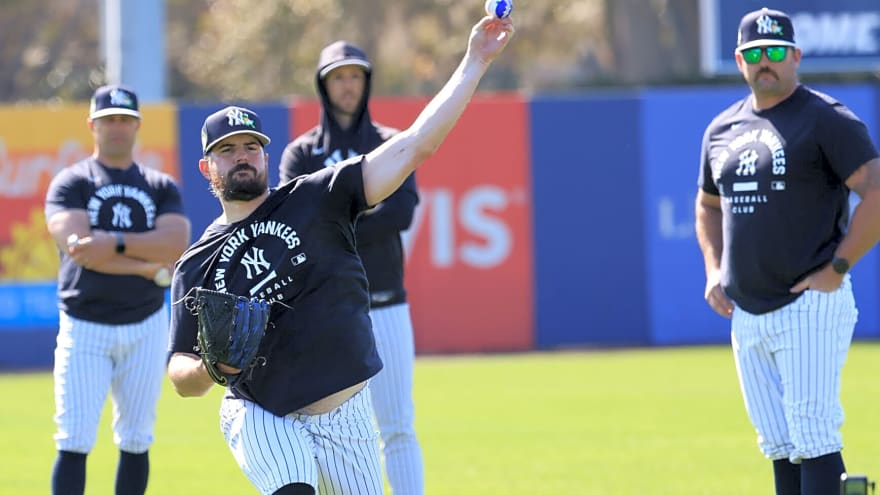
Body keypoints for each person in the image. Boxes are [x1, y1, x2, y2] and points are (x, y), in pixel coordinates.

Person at [166, 15, 514, 495]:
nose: (242, 156)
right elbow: (179, 373)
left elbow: (415, 146)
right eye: (227, 151)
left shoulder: (316, 196)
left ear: (267, 156)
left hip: (346, 415)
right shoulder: (197, 263)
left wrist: (475, 61)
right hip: (262, 412)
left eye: (251, 146)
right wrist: (209, 368)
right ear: (207, 166)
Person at [695, 7, 880, 495]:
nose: (766, 63)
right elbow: (707, 205)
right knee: (778, 443)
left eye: (776, 52)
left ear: (796, 56)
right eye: (754, 54)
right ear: (739, 61)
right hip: (748, 310)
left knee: (813, 436)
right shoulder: (721, 129)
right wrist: (714, 269)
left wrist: (838, 268)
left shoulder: (826, 119)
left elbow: (876, 190)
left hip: (809, 301)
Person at [278, 40, 424, 494]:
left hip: (384, 304)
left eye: (356, 75)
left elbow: (401, 214)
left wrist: (333, 224)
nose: (348, 85)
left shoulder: (390, 144)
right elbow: (293, 229)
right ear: (323, 85)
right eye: (338, 76)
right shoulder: (301, 156)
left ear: (367, 82)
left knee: (397, 426)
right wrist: (359, 219)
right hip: (326, 316)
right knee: (327, 434)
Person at [44, 84, 191, 495]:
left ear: (138, 126)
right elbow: (80, 252)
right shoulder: (71, 182)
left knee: (136, 439)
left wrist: (115, 244)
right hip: (84, 325)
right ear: (92, 125)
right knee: (73, 439)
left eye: (125, 119)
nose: (118, 128)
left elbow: (176, 242)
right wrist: (147, 269)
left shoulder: (160, 186)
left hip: (145, 324)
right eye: (109, 120)